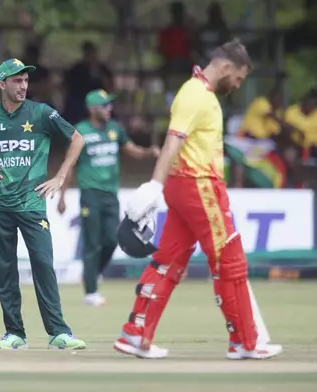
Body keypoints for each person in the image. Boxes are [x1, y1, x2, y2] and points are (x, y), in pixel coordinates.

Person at [114, 39, 283, 360]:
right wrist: (153, 184)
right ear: (227, 68)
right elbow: (172, 141)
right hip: (199, 185)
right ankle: (245, 342)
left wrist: (161, 185)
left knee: (169, 260)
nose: (237, 84)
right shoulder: (196, 94)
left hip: (185, 187)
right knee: (230, 260)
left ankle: (135, 333)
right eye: (239, 78)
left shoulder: (196, 92)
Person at [0, 58, 87, 350]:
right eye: (17, 81)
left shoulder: (41, 112)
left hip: (32, 204)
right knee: (4, 270)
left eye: (26, 80)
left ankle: (59, 332)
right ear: (1, 84)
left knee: (43, 264)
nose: (23, 86)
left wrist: (59, 177)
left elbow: (77, 139)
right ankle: (14, 333)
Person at [57, 89, 160, 306]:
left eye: (109, 105)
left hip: (111, 195)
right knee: (92, 243)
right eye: (104, 106)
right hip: (90, 194)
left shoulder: (114, 128)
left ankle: (93, 274)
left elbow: (130, 149)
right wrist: (62, 196)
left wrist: (148, 152)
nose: (108, 109)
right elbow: (71, 165)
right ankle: (90, 292)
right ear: (92, 109)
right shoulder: (81, 132)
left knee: (112, 240)